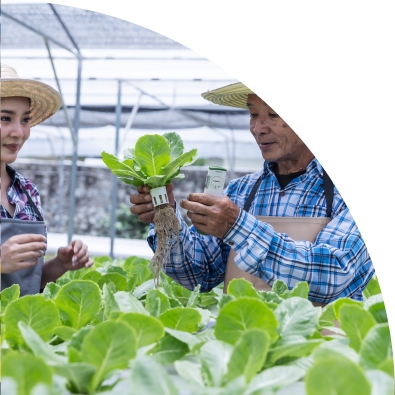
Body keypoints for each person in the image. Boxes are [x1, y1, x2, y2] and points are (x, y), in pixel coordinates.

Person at [129, 82, 374, 305]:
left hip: (322, 350)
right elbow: (197, 273)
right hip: (245, 346)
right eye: (253, 114)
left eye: (273, 114)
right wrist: (165, 218)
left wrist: (237, 226)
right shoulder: (241, 191)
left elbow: (331, 275)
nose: (257, 128)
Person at [1, 64, 93, 296]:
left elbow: (27, 279)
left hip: (22, 327)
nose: (19, 132)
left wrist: (60, 264)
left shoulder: (27, 191)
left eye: (25, 120)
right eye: (5, 118)